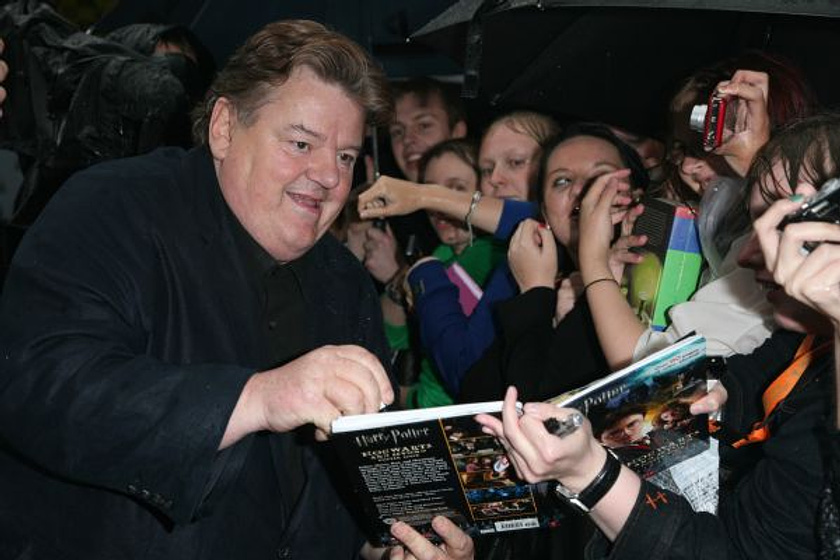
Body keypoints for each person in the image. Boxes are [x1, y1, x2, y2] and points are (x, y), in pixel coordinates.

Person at [0, 19, 471, 560]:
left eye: (344, 156)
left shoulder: (343, 279)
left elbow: (343, 485)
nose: (328, 177)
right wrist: (256, 398)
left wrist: (389, 546)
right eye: (301, 143)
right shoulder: (115, 205)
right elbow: (38, 384)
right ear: (224, 128)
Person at [477, 112, 840, 560]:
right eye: (562, 181)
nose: (747, 255)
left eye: (783, 223)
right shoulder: (800, 339)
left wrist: (590, 473)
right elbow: (738, 383)